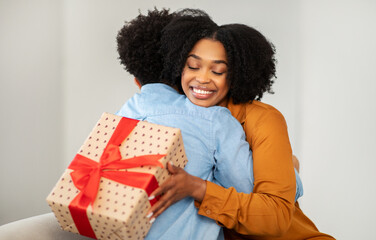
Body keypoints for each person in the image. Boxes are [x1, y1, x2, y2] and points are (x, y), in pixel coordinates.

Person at [148, 10, 335, 239]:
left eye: (218, 71)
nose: (203, 78)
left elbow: (276, 216)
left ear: (236, 75)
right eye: (193, 66)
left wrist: (199, 188)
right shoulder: (175, 111)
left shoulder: (263, 119)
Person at [116, 8, 255, 240]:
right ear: (182, 66)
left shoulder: (117, 119)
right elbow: (249, 194)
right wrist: (292, 169)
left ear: (136, 81)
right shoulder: (215, 120)